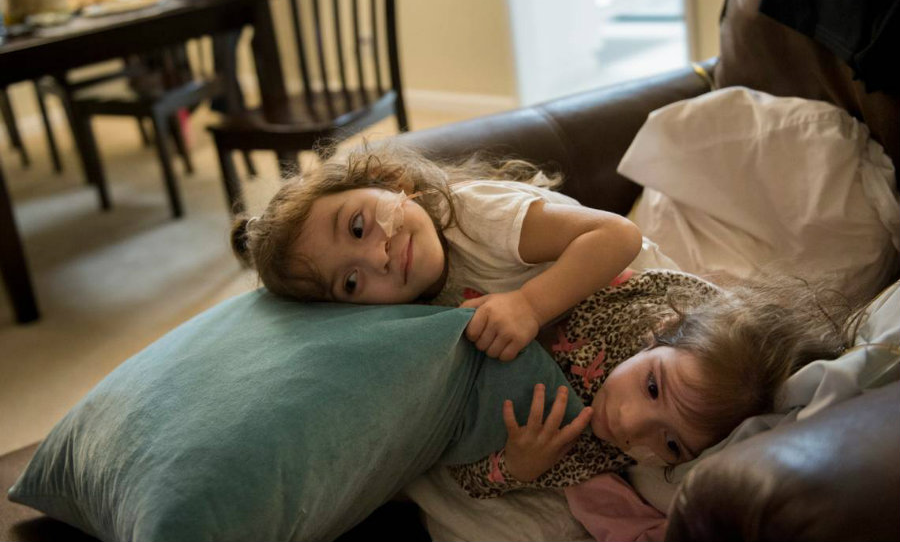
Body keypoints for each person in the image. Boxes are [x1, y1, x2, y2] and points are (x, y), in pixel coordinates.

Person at [448, 268, 858, 498]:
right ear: (661, 330)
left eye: (672, 444)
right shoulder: (641, 297)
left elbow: (464, 476)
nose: (629, 424)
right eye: (651, 388)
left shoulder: (583, 446)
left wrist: (516, 467)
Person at [231, 141, 645, 361]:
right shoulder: (412, 307)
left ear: (390, 181)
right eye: (352, 281)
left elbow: (618, 235)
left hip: (649, 297)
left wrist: (529, 305)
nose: (378, 258)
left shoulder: (479, 215)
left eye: (358, 227)